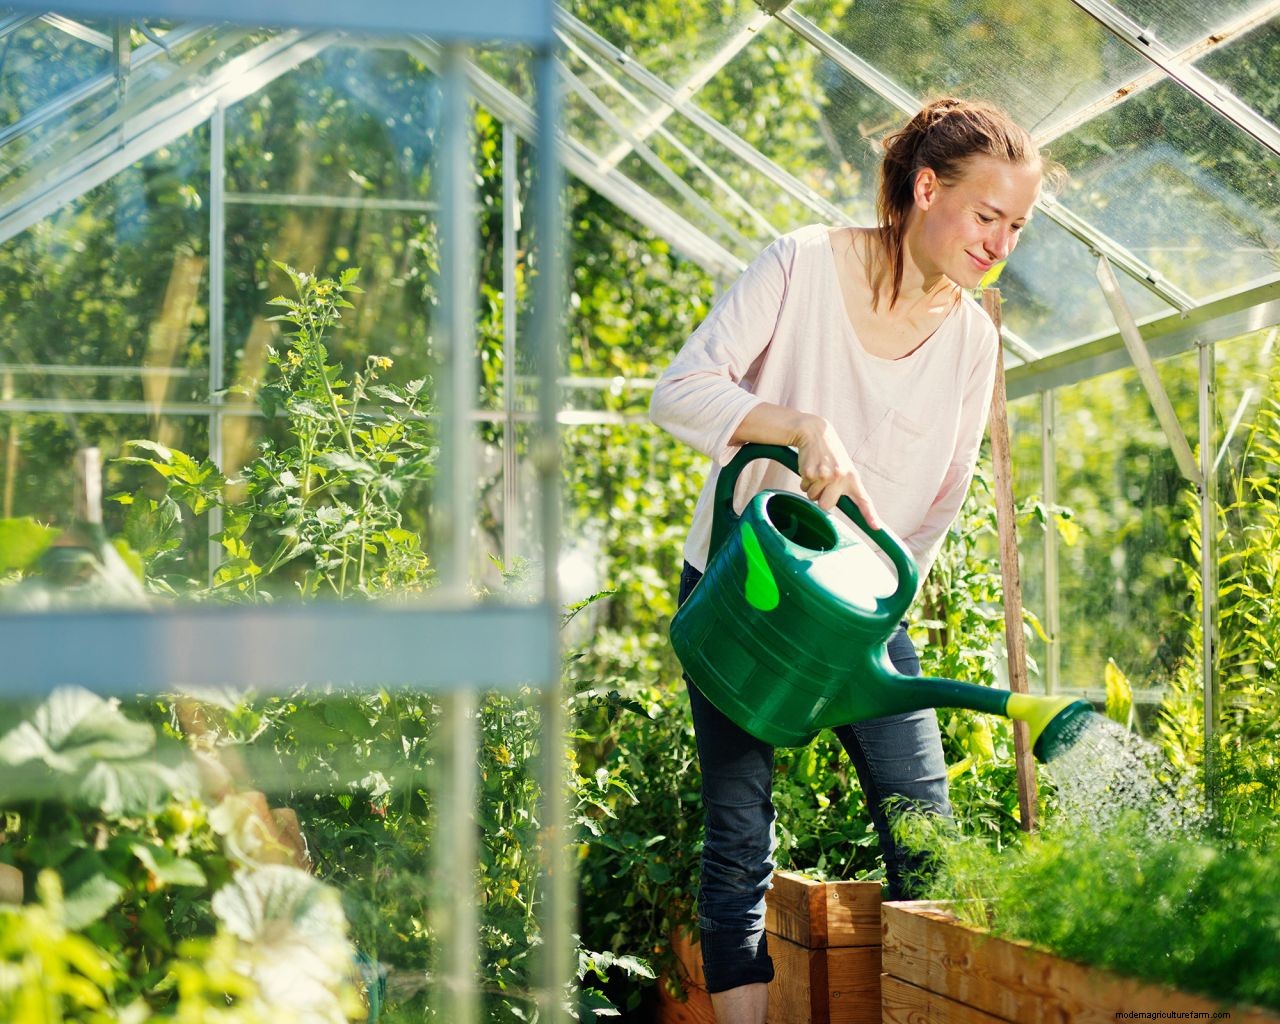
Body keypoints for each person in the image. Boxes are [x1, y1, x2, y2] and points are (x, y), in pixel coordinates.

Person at [648, 97, 1054, 1024]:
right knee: (739, 837)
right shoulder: (801, 265)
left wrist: (872, 606)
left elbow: (940, 498)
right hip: (745, 594)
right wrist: (798, 425)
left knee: (927, 836)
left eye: (1017, 226)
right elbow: (680, 393)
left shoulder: (973, 339)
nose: (1000, 243)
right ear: (925, 189)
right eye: (987, 215)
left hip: (862, 620)